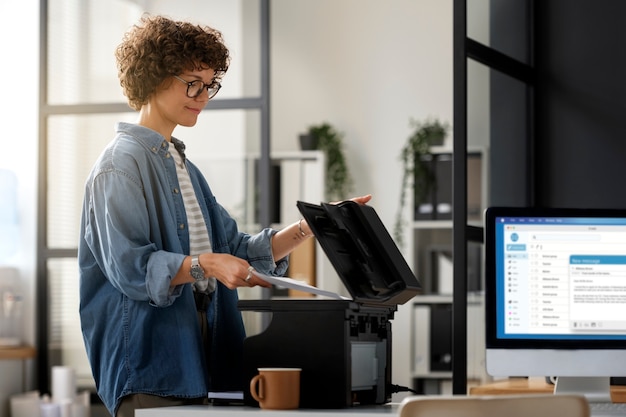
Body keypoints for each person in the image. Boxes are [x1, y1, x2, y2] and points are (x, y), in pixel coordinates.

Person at [78, 14, 371, 417]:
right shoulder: (119, 165)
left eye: (209, 84)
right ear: (154, 75)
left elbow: (236, 250)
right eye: (192, 83)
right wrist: (208, 265)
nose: (202, 95)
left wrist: (313, 226)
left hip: (203, 359)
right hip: (152, 364)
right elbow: (132, 269)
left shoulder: (184, 168)